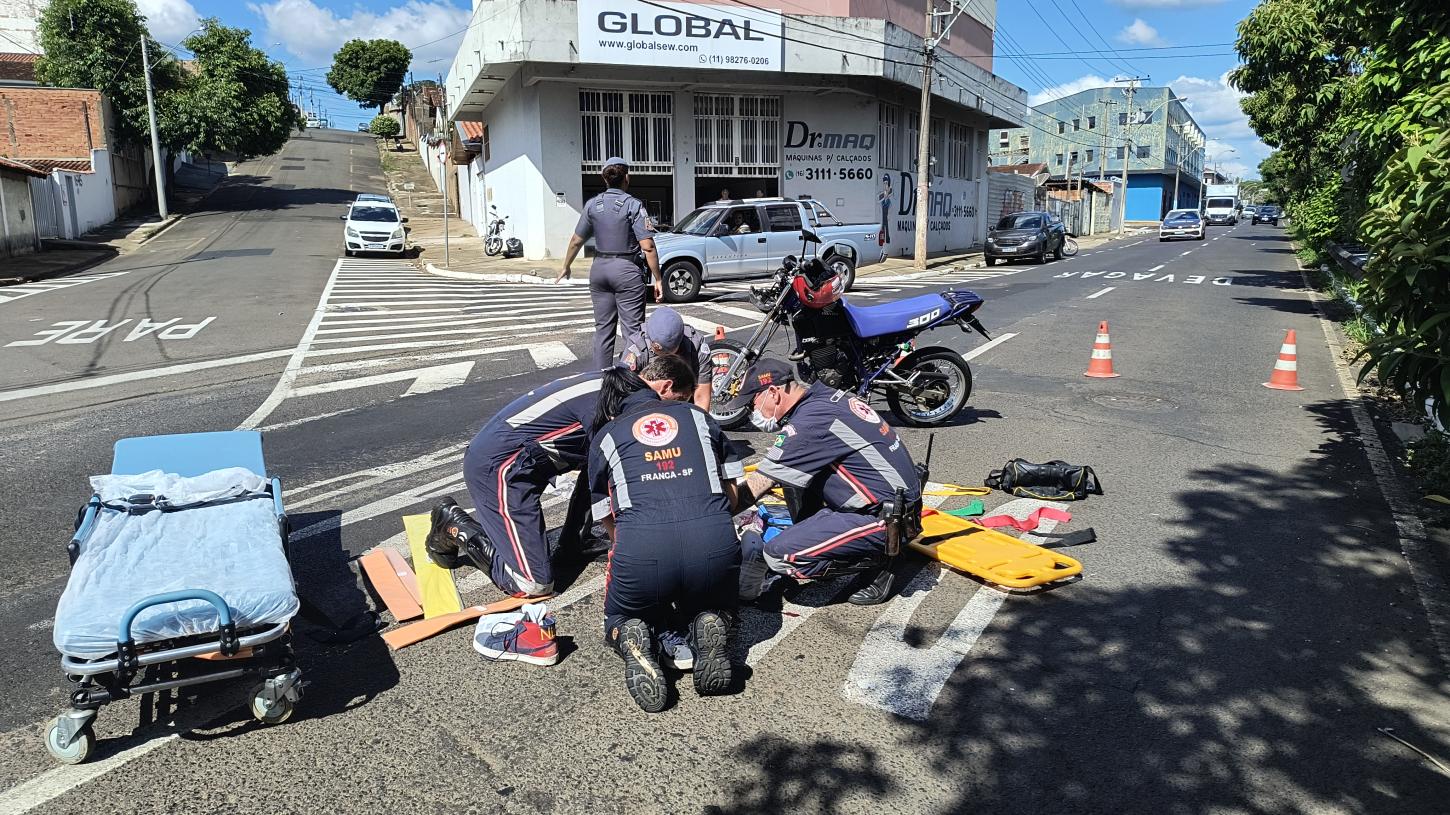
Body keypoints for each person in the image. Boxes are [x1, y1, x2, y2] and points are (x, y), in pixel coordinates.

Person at [425, 357, 694, 598]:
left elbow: (598, 471)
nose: (675, 413)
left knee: (598, 464)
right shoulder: (618, 399)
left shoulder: (620, 386)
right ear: (666, 387)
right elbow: (619, 477)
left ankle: (573, 543)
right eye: (680, 402)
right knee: (533, 584)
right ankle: (452, 523)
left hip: (525, 465)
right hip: (499, 467)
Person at [588, 363, 743, 712]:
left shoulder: (606, 436)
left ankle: (630, 633)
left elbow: (607, 520)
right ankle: (709, 622)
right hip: (713, 543)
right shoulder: (699, 417)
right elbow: (732, 496)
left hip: (642, 551)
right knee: (714, 602)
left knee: (622, 615)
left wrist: (630, 544)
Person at [720, 358, 922, 606]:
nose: (753, 414)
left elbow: (758, 486)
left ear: (773, 393)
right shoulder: (825, 398)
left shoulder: (810, 423)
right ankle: (831, 543)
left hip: (888, 520)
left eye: (753, 404)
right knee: (791, 477)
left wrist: (713, 515)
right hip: (895, 502)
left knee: (779, 555)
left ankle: (884, 559)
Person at [558, 158, 663, 370]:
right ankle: (627, 380)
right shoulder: (633, 205)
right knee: (633, 332)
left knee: (603, 330)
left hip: (599, 269)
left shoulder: (592, 205)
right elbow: (648, 247)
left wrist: (566, 266)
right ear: (627, 178)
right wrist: (658, 278)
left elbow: (576, 240)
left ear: (604, 178)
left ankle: (600, 380)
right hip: (626, 270)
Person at [619, 307, 714, 410]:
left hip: (684, 404)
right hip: (647, 404)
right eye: (659, 353)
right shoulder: (638, 347)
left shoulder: (696, 347)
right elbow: (623, 389)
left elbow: (701, 398)